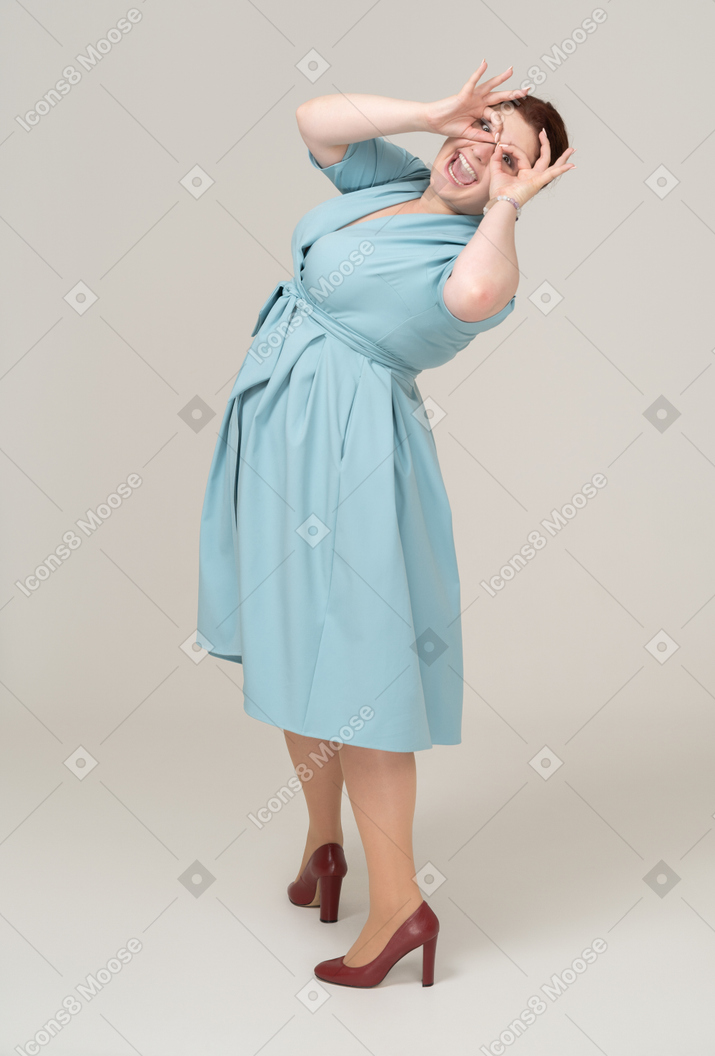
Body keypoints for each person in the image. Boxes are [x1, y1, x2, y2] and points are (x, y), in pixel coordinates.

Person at [196, 61, 575, 988]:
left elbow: (475, 301)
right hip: (279, 437)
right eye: (482, 131)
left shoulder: (474, 251)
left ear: (522, 182)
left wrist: (505, 206)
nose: (480, 153)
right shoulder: (398, 180)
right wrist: (434, 113)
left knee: (360, 674)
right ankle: (326, 844)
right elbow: (313, 120)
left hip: (349, 458)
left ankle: (400, 904)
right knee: (292, 650)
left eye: (508, 156)